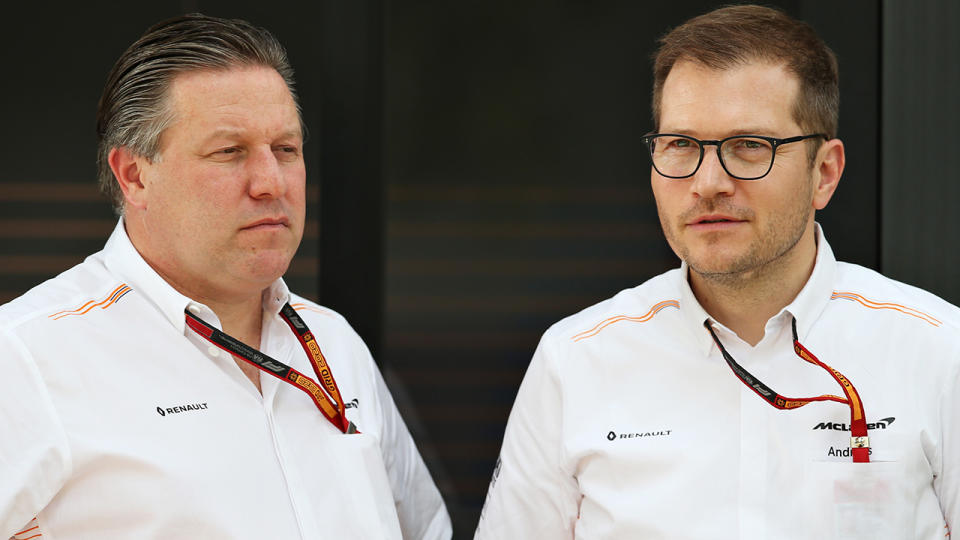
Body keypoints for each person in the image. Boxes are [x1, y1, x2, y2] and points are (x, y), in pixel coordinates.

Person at [475, 5, 959, 539]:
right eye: (681, 145)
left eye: (749, 146)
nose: (708, 182)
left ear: (824, 173)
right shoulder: (576, 360)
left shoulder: (938, 354)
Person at [0, 14, 450, 540]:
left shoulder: (334, 342)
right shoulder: (28, 355)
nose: (270, 182)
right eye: (229, 152)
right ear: (134, 175)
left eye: (286, 149)